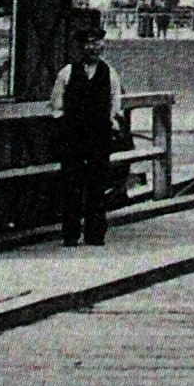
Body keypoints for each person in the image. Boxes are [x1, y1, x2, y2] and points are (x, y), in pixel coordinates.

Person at [49, 23, 126, 247]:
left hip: (99, 136)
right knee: (72, 184)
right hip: (73, 136)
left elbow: (116, 104)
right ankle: (70, 234)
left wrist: (110, 124)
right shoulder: (67, 72)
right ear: (81, 47)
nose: (92, 48)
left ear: (102, 46)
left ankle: (95, 234)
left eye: (96, 43)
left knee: (97, 185)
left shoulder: (109, 73)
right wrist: (64, 126)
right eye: (88, 44)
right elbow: (56, 104)